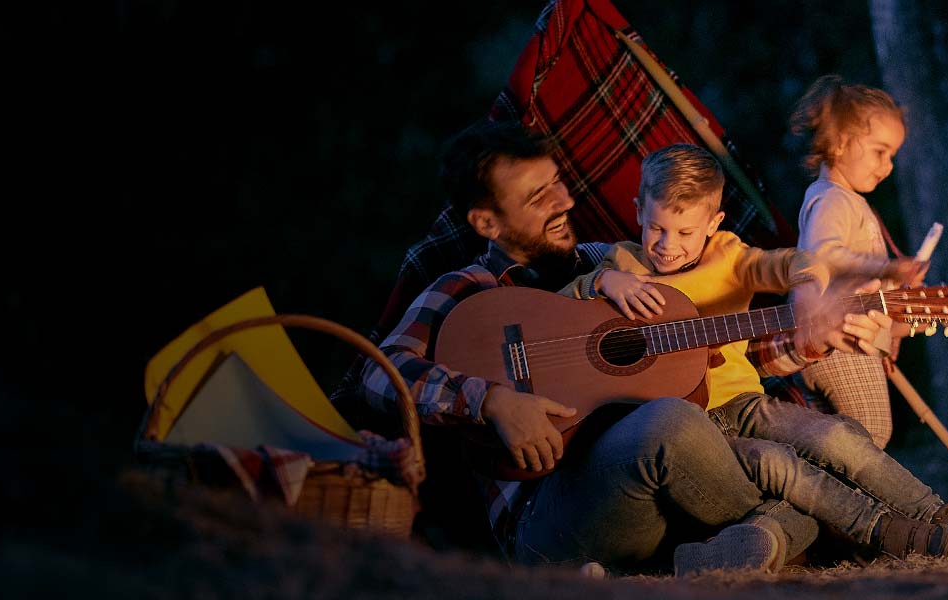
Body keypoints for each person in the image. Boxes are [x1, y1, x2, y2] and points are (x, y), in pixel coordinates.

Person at [362, 120, 880, 575]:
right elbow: (379, 374)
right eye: (538, 196)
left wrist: (807, 343)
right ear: (487, 223)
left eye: (558, 184)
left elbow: (701, 362)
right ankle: (795, 526)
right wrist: (492, 401)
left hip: (653, 489)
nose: (565, 201)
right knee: (672, 422)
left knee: (797, 438)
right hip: (550, 517)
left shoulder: (605, 265)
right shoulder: (464, 290)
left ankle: (754, 539)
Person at [564, 144, 948, 558]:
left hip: (743, 404)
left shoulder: (730, 257)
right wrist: (600, 284)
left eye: (685, 232)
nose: (667, 245)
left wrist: (807, 294)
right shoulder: (620, 263)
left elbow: (799, 261)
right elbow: (552, 318)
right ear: (639, 211)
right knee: (776, 462)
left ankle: (945, 517)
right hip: (689, 434)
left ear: (713, 223)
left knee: (838, 435)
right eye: (656, 228)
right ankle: (890, 533)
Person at [783, 75, 931, 448]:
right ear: (840, 142)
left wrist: (898, 292)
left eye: (893, 156)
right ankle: (809, 484)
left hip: (853, 339)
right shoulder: (830, 198)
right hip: (838, 340)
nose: (888, 166)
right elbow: (822, 255)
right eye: (880, 151)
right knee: (869, 436)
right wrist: (884, 268)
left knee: (868, 436)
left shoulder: (851, 202)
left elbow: (861, 279)